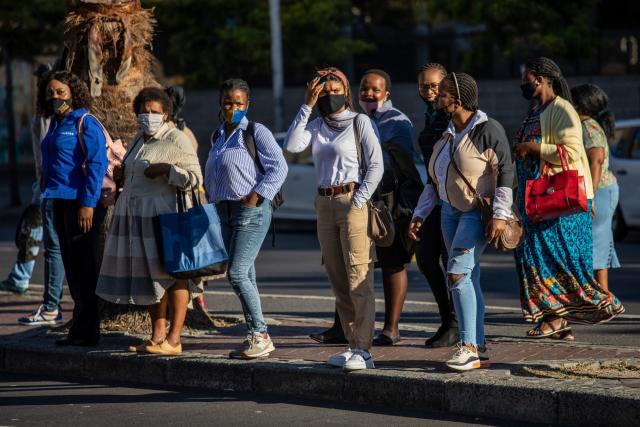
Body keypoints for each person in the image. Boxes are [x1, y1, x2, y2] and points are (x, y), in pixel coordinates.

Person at [513, 57, 624, 341]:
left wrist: (532, 147)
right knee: (534, 257)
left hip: (556, 204)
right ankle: (558, 322)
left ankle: (558, 318)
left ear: (540, 78)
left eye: (526, 77)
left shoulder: (562, 109)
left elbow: (572, 152)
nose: (522, 83)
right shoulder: (536, 110)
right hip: (534, 200)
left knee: (555, 260)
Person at [409, 72, 514, 371]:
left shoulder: (487, 129)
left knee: (456, 275)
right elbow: (435, 180)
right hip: (448, 212)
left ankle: (467, 347)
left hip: (474, 213)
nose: (435, 96)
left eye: (441, 91)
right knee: (470, 276)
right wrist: (420, 214)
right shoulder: (448, 132)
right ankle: (478, 342)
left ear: (456, 99)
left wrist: (500, 215)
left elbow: (505, 172)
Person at [285, 67, 383, 371]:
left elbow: (376, 166)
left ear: (346, 92)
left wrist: (359, 200)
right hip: (324, 203)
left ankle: (364, 349)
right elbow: (292, 146)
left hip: (352, 200)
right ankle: (351, 344)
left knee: (358, 278)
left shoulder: (360, 122)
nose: (330, 95)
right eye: (324, 91)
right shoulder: (316, 124)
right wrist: (306, 105)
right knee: (338, 279)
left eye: (335, 89)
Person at [96, 87, 203, 355]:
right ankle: (157, 338)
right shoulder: (138, 139)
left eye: (155, 112)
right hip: (137, 219)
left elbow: (196, 179)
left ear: (166, 113)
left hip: (165, 218)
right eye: (144, 112)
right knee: (152, 280)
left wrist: (167, 170)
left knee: (174, 277)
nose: (149, 116)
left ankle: (174, 339)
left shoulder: (177, 139)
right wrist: (122, 174)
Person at [205, 78, 287, 360]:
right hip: (225, 210)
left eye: (239, 103)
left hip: (250, 209)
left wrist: (257, 195)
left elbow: (279, 167)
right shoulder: (218, 135)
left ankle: (261, 334)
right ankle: (254, 334)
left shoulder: (255, 131)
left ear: (247, 104)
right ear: (221, 103)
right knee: (247, 273)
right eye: (229, 102)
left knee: (237, 273)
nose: (233, 107)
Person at [38, 71, 108, 346]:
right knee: (71, 267)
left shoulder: (84, 122)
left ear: (73, 93)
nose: (55, 97)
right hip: (57, 200)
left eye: (60, 92)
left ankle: (88, 332)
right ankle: (79, 329)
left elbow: (96, 165)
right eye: (50, 93)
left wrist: (87, 205)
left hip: (80, 202)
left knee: (83, 269)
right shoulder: (55, 123)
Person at [358, 68, 422, 346]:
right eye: (364, 88)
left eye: (375, 90)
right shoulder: (355, 119)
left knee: (392, 263)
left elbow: (400, 165)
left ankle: (391, 328)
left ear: (386, 94)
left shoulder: (397, 122)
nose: (369, 94)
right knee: (354, 263)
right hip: (360, 198)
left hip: (389, 201)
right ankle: (344, 326)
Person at [415, 63, 457, 348]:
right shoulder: (431, 117)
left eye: (434, 86)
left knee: (451, 261)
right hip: (434, 196)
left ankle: (457, 325)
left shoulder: (454, 116)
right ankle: (448, 320)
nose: (429, 92)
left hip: (454, 200)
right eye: (424, 86)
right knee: (426, 257)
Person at [571, 84, 621, 291]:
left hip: (598, 191)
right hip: (599, 191)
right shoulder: (584, 125)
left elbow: (596, 161)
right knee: (596, 241)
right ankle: (600, 297)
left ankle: (603, 297)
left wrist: (588, 195)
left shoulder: (589, 127)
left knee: (595, 242)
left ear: (580, 104)